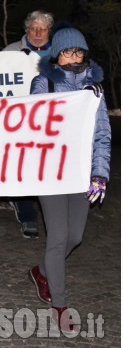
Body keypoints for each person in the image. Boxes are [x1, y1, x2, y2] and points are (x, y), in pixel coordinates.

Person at [28, 28, 110, 333]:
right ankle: (59, 305)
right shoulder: (44, 82)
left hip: (80, 172)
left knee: (75, 236)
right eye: (67, 52)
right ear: (57, 55)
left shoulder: (95, 89)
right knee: (59, 236)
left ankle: (42, 271)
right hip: (51, 172)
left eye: (79, 52)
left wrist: (100, 174)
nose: (74, 57)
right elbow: (36, 124)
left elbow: (102, 134)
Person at [3, 11, 55, 238]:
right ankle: (27, 214)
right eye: (33, 28)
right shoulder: (11, 52)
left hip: (51, 122)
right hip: (19, 121)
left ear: (49, 32)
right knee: (22, 165)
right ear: (26, 30)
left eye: (42, 29)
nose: (37, 33)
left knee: (47, 167)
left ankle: (54, 215)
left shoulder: (59, 53)